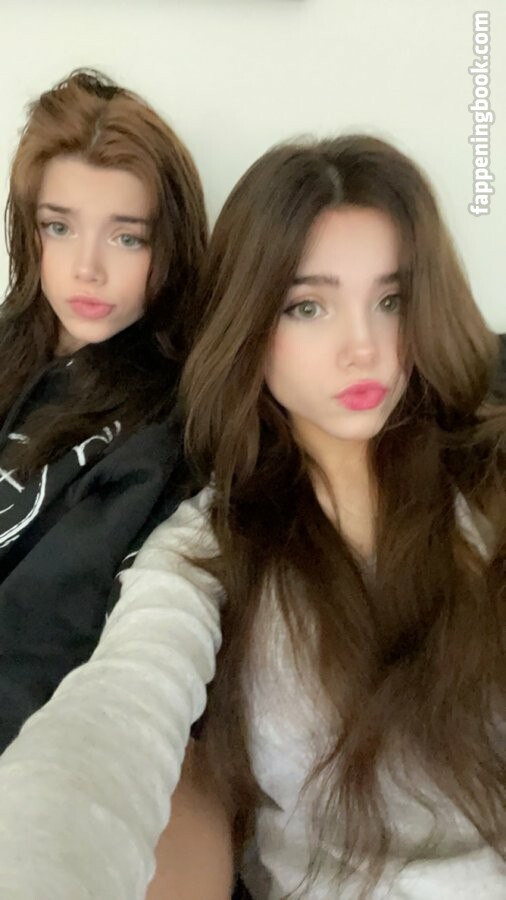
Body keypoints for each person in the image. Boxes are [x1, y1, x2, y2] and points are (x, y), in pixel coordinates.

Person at [0, 135, 504, 900]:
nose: (364, 348)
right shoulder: (209, 545)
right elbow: (121, 707)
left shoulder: (488, 487)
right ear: (250, 323)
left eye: (391, 300)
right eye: (308, 306)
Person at [0, 67, 207, 752]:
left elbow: (47, 636)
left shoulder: (169, 424)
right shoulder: (9, 344)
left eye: (127, 237)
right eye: (60, 227)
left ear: (169, 245)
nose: (87, 268)